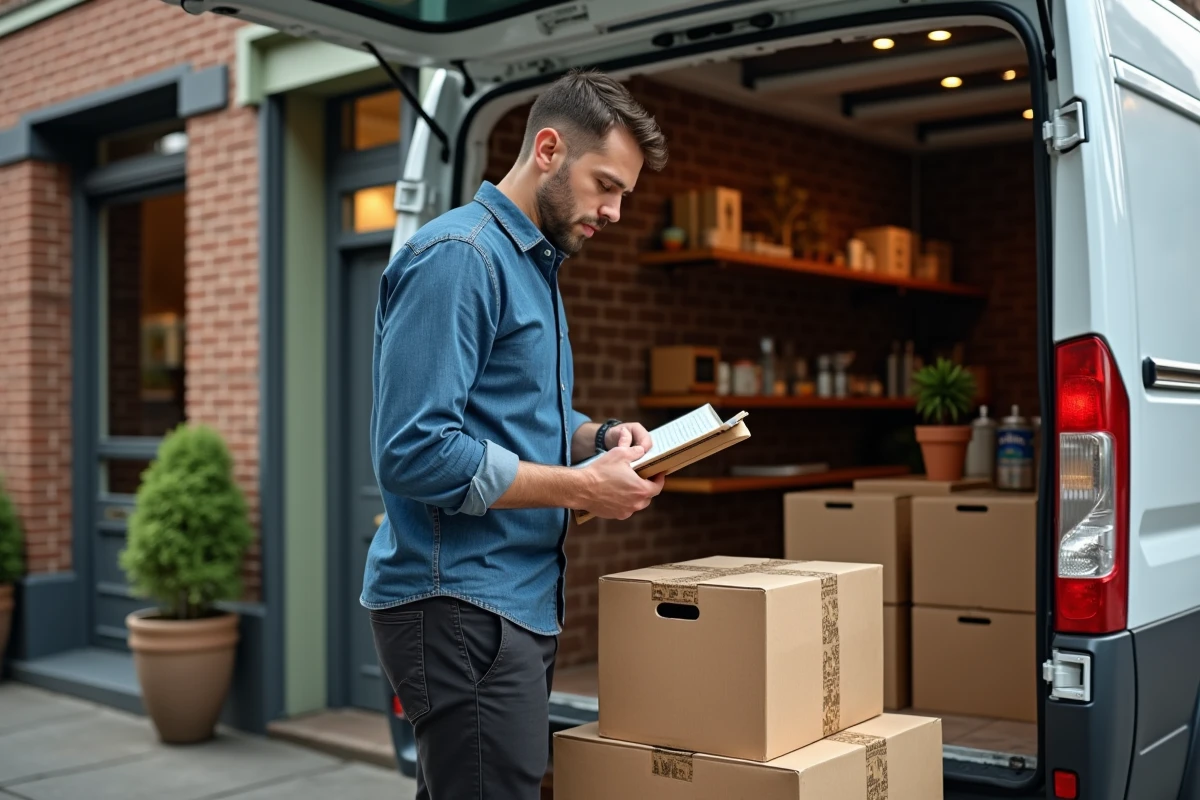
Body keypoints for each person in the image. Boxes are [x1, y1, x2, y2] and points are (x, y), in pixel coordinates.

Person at [363, 69, 670, 798]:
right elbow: (415, 449)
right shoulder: (461, 257)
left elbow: (513, 417)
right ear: (548, 149)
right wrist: (580, 488)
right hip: (461, 605)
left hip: (506, 603)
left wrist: (599, 438)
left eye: (624, 193)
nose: (616, 210)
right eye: (606, 185)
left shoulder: (531, 264)